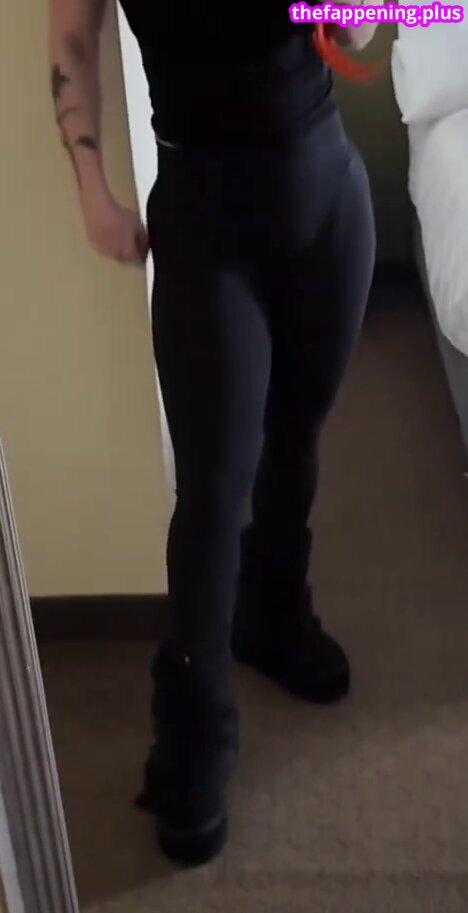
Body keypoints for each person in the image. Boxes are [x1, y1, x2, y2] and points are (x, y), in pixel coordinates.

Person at [48, 0, 379, 868]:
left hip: (327, 189)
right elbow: (72, 36)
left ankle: (275, 612)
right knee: (213, 485)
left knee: (297, 437)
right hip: (206, 218)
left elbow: (375, 21)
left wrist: (357, 12)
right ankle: (194, 728)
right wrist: (91, 189)